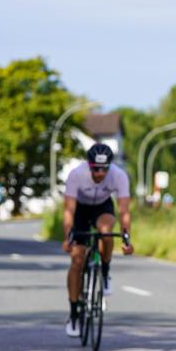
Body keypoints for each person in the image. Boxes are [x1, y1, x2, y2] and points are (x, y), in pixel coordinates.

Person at [60, 143, 134, 337]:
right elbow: (69, 210)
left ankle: (105, 271)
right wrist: (67, 236)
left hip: (102, 207)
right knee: (77, 260)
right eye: (95, 169)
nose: (100, 173)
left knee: (106, 231)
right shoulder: (77, 174)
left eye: (104, 169)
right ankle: (74, 313)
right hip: (80, 211)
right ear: (89, 164)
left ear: (110, 166)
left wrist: (126, 238)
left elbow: (124, 210)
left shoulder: (119, 175)